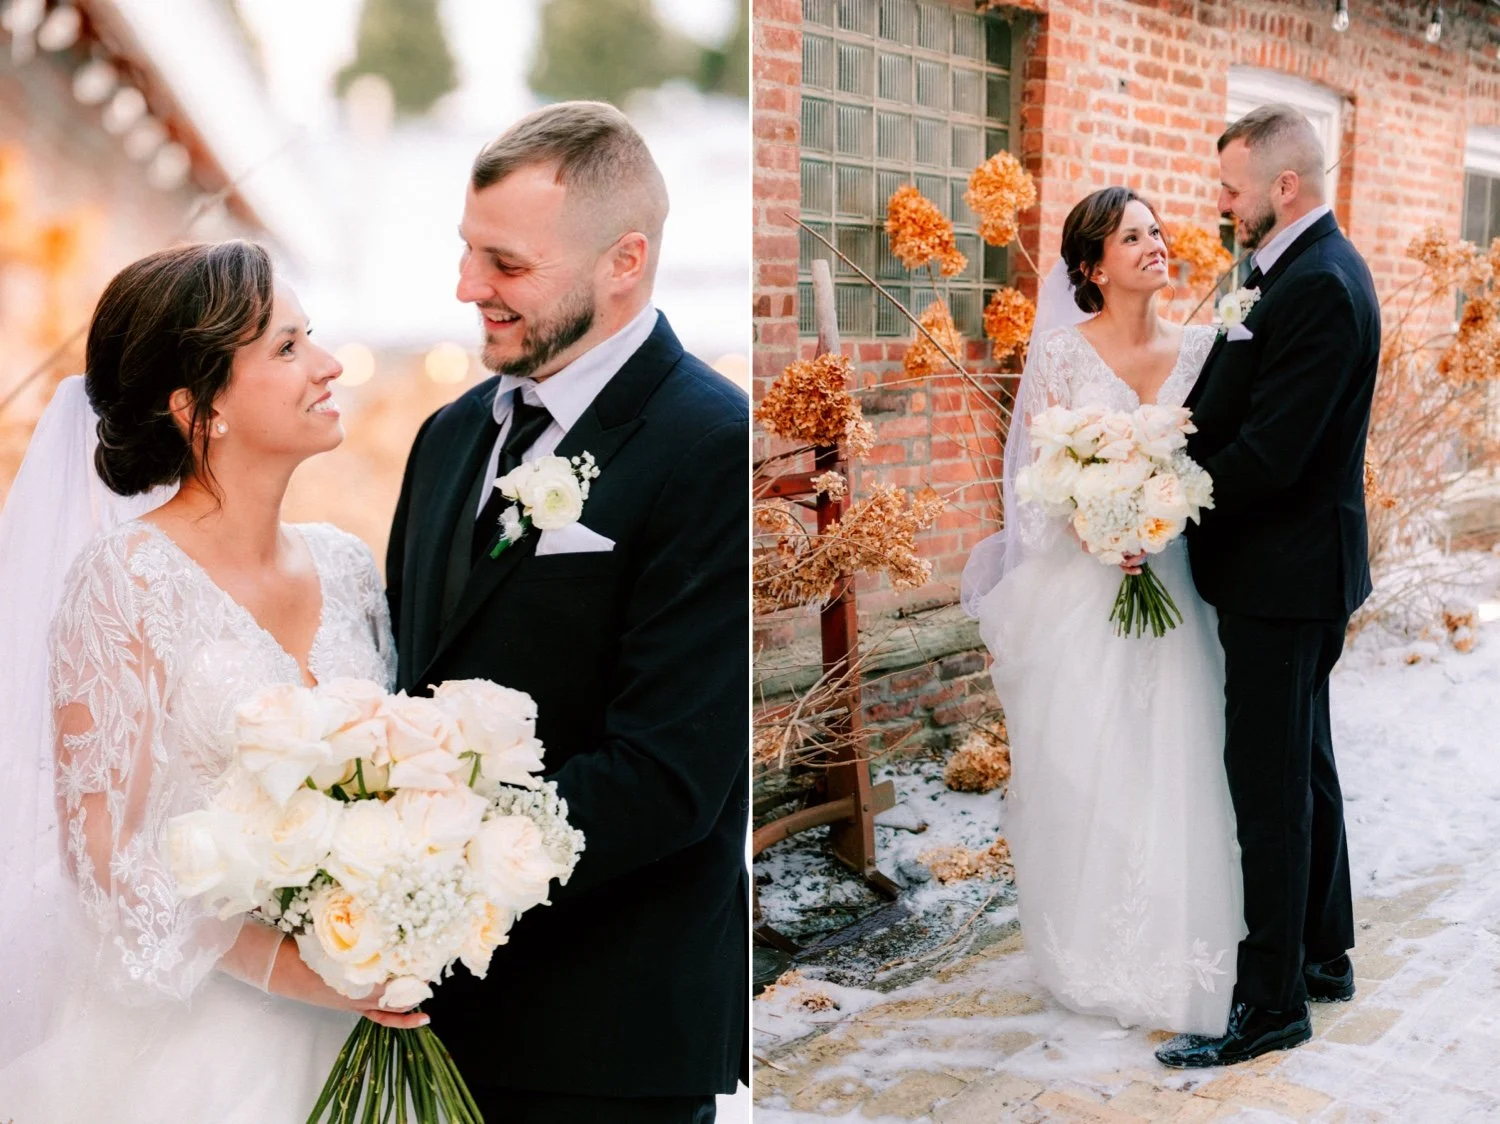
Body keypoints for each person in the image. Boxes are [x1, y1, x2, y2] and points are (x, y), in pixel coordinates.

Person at [0, 240, 426, 1122]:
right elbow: (104, 859)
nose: (329, 364)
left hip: (369, 1033)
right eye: (286, 347)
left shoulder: (348, 569)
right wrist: (294, 968)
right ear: (200, 407)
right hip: (192, 1052)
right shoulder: (122, 580)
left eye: (314, 336)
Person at [387, 100, 749, 1123]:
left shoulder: (712, 449)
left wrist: (421, 863)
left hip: (604, 1040)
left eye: (504, 263)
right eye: (468, 252)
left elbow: (669, 774)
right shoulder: (448, 436)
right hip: (423, 1013)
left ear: (623, 259)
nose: (467, 288)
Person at [962, 186, 1246, 1037]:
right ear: (1091, 265)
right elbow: (1035, 485)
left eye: (1156, 232)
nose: (1156, 245)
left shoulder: (1204, 347)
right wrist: (1098, 528)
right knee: (1091, 762)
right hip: (1084, 592)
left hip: (1181, 584)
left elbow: (1221, 463)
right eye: (1133, 237)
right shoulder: (1058, 354)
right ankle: (1091, 944)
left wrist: (1157, 520)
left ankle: (1182, 939)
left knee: (1181, 754)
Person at [1156, 103, 1380, 1069]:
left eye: (1232, 186)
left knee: (1271, 789)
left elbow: (1276, 455)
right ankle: (1325, 952)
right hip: (1288, 572)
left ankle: (1274, 1002)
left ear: (1282, 187)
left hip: (1285, 578)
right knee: (1307, 765)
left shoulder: (1322, 283)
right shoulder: (1284, 270)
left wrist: (1162, 496)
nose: (1222, 200)